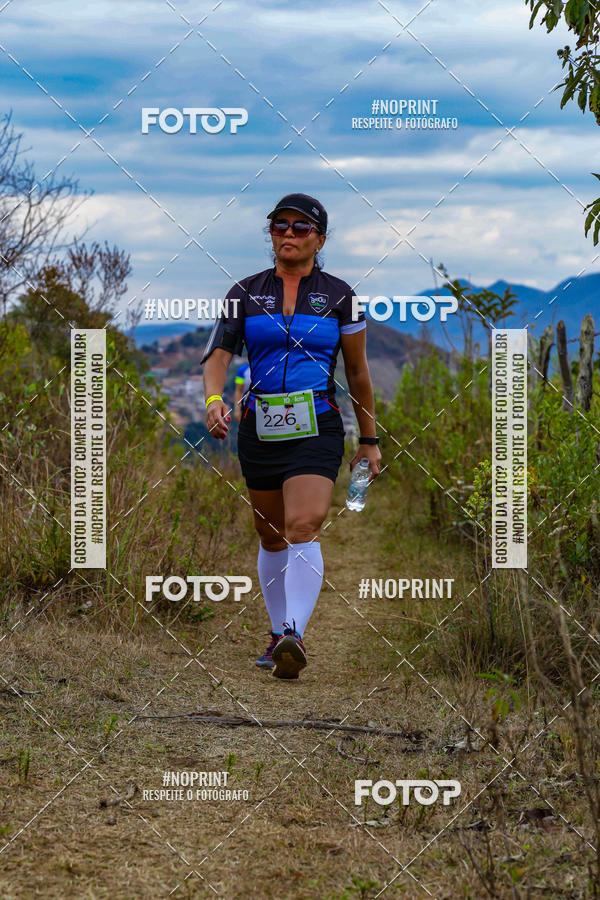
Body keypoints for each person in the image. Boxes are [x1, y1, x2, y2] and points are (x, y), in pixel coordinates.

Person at [201, 192, 381, 679]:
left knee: (304, 525)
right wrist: (214, 399)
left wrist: (369, 440)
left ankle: (292, 634)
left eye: (301, 228)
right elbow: (219, 355)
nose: (287, 234)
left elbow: (359, 372)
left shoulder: (341, 295)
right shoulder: (244, 292)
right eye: (279, 225)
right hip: (259, 426)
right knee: (270, 533)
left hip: (317, 423)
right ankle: (279, 632)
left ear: (319, 239)